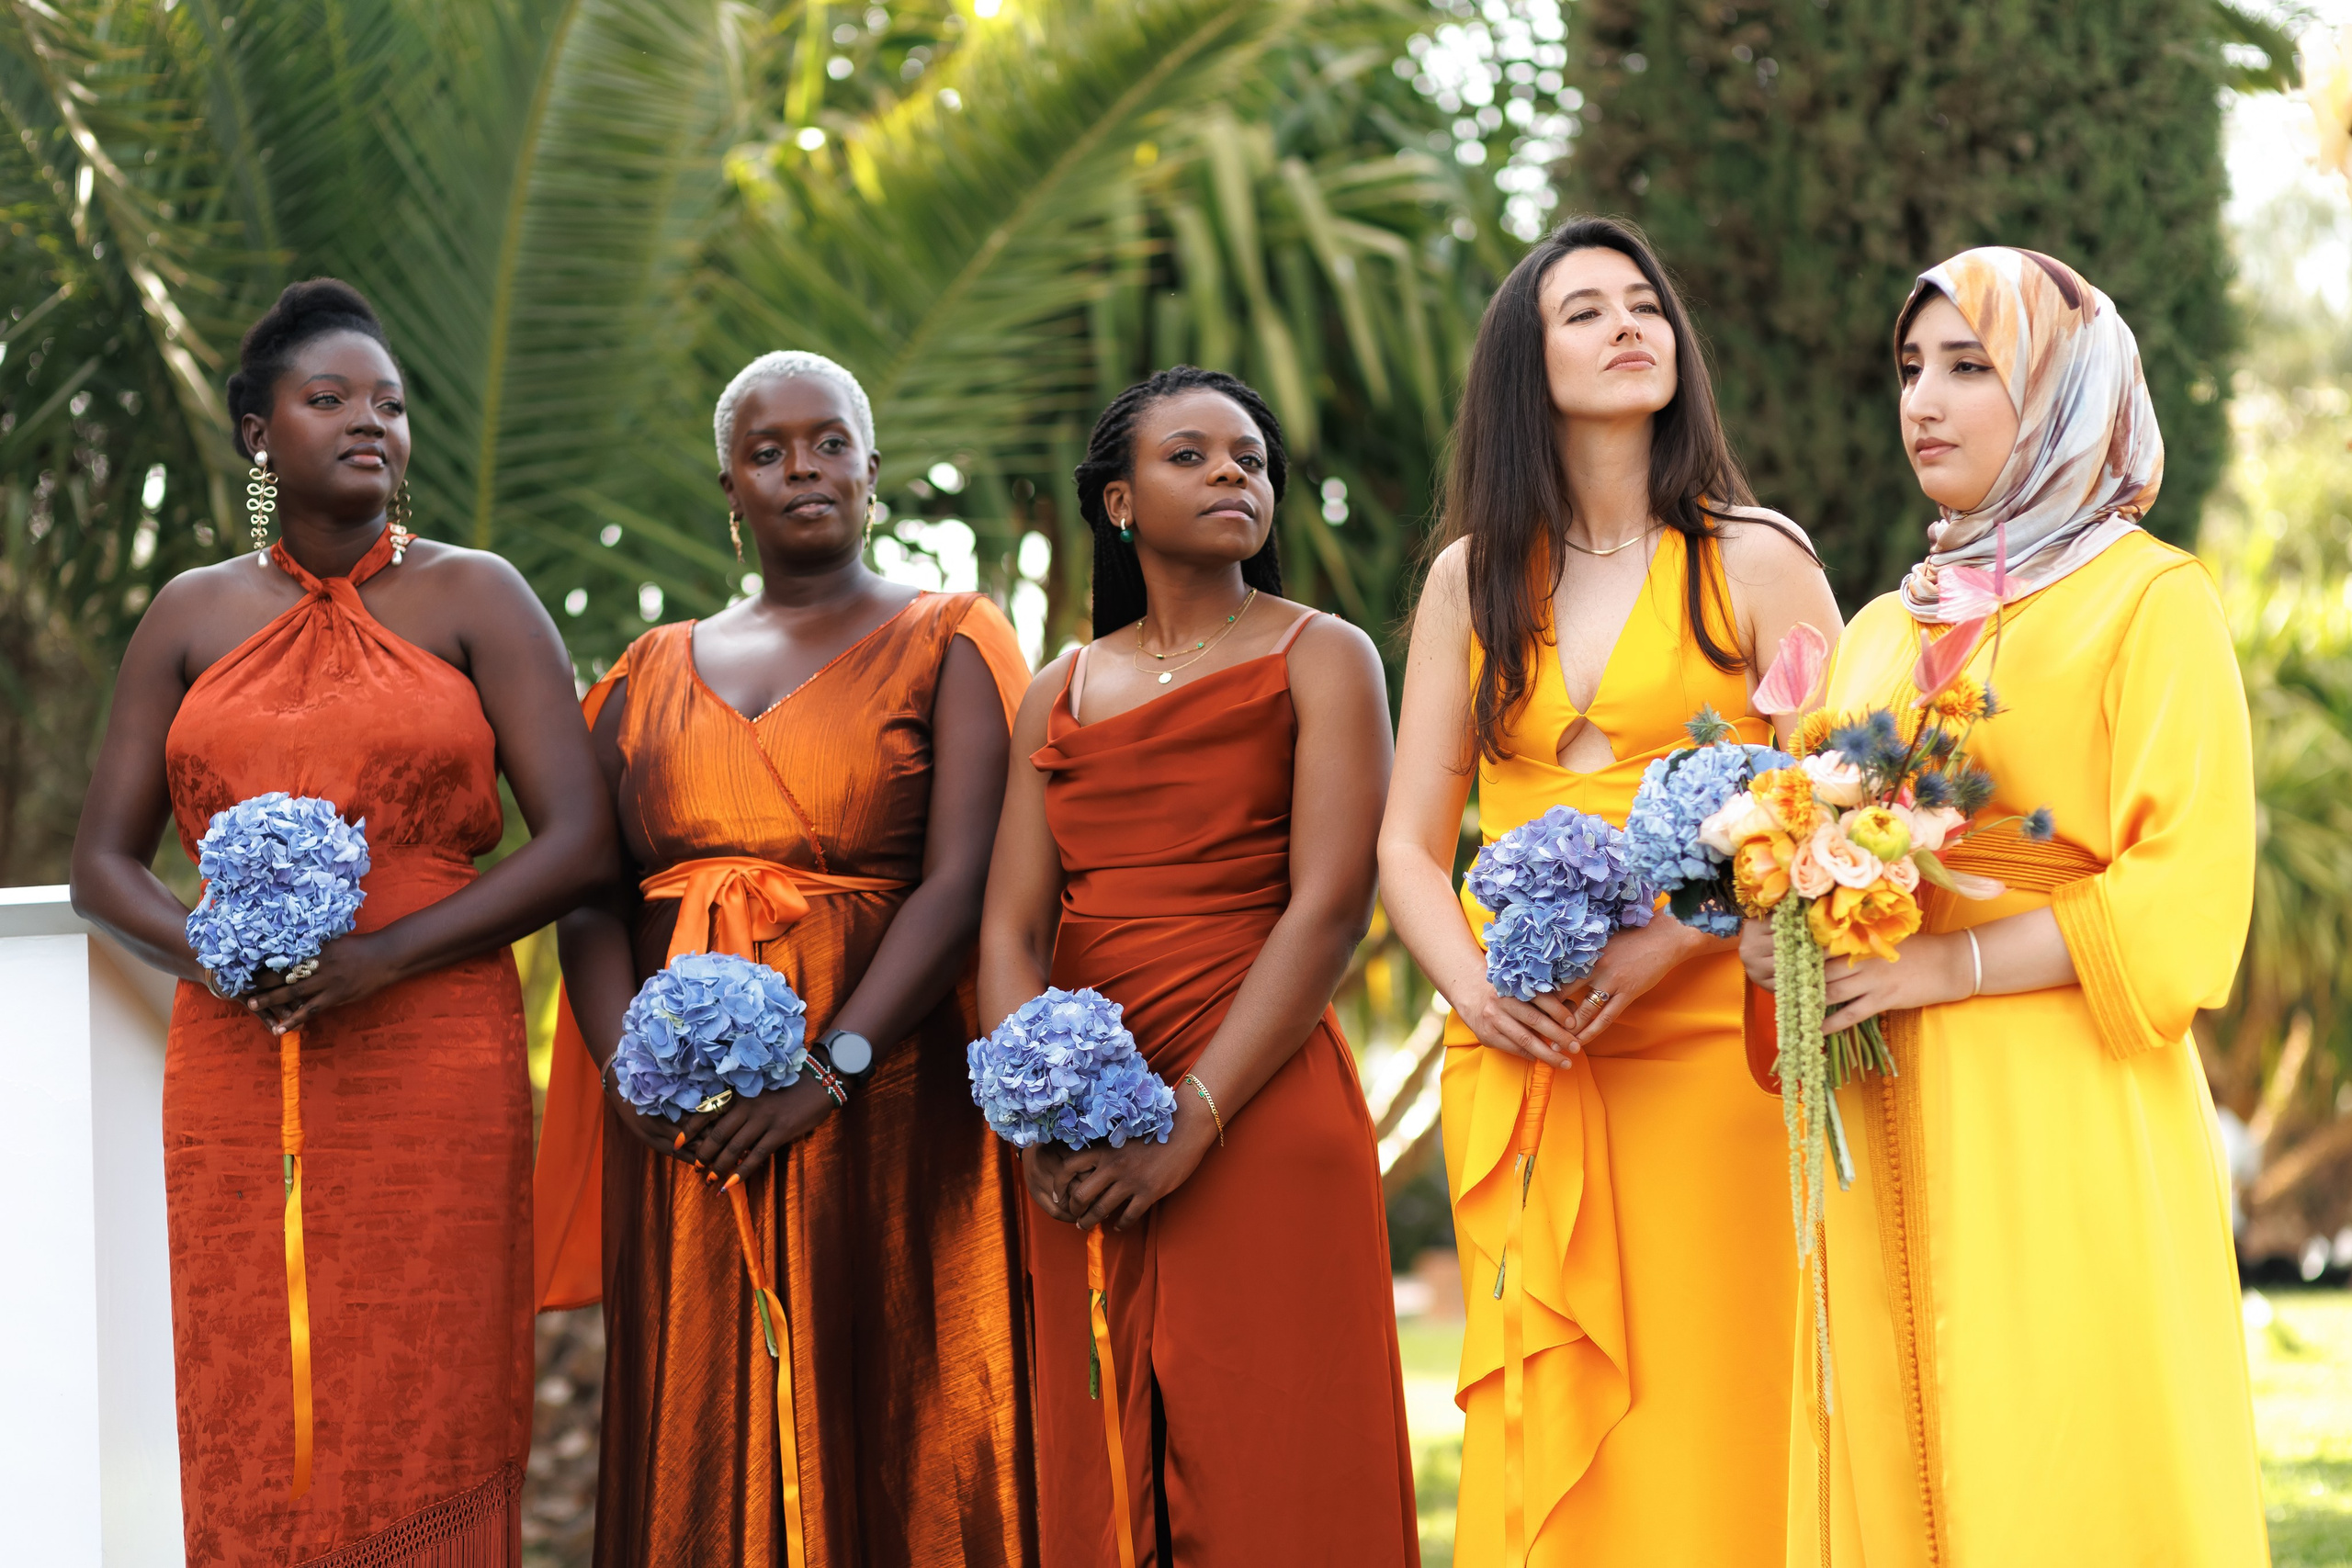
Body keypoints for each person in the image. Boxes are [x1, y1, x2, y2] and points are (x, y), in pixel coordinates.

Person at [68, 279, 616, 1566]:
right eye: (331, 400)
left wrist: (381, 961)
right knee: (251, 1365)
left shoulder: (479, 597)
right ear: (260, 432)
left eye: (392, 403)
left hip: (434, 1040)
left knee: (422, 1357)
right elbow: (102, 863)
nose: (371, 421)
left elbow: (585, 840)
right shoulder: (191, 615)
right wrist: (214, 948)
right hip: (233, 1052)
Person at [1742, 246, 2267, 1565]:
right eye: (1910, 367)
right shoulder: (1875, 633)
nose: (1924, 398)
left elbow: (2185, 890)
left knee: (2062, 1434)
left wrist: (1947, 973)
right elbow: (1807, 837)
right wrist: (1778, 919)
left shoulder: (2151, 602)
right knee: (1892, 1426)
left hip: (2065, 1101)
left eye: (1970, 366)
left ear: (2064, 390)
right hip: (1880, 1096)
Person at [1377, 217, 1843, 1564]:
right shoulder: (1468, 580)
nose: (1630, 325)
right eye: (1584, 311)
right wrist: (1474, 993)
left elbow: (1827, 806)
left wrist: (1677, 948)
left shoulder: (1757, 556)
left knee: (1719, 1396)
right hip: (1527, 1049)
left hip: (1711, 1050)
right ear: (1527, 363)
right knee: (1554, 1413)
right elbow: (1412, 845)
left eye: (1645, 306)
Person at [536, 351, 1036, 1568]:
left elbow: (964, 881)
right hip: (688, 1121)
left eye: (828, 444)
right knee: (702, 1401)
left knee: (899, 1396)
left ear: (873, 472)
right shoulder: (644, 673)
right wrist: (627, 1077)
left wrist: (833, 1070)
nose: (802, 467)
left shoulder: (951, 638)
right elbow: (592, 897)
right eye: (770, 451)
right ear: (731, 485)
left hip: (891, 1097)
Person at [978, 367, 1416, 1565]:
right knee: (1107, 1470)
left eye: (1253, 459)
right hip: (1083, 1132)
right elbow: (1011, 928)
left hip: (1258, 1099)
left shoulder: (1323, 656)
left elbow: (1332, 907)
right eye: (1194, 454)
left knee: (1280, 1459)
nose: (1235, 472)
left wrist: (1193, 1117)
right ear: (1118, 503)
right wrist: (1040, 1119)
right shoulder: (1057, 689)